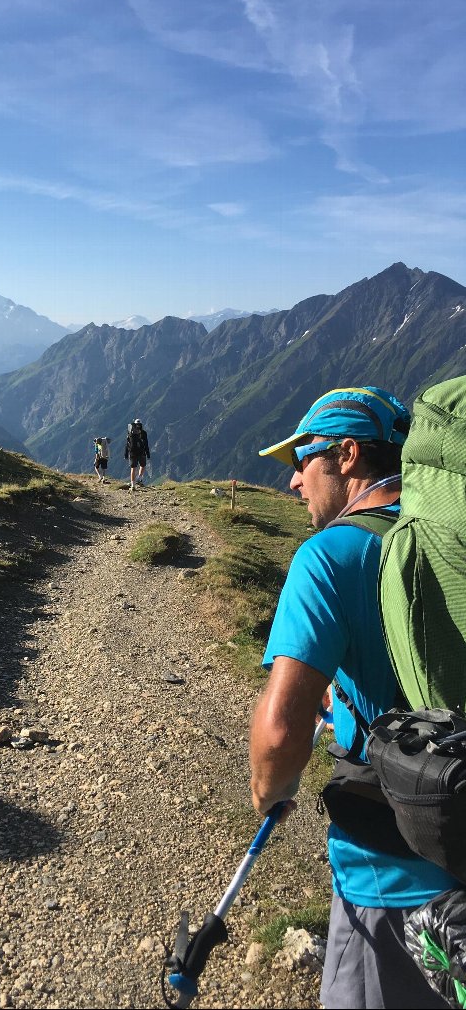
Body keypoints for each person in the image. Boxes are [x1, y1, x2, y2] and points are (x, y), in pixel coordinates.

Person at [249, 385, 458, 1010]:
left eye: (300, 460)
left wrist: (269, 791)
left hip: (390, 876)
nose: (292, 482)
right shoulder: (447, 541)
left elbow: (279, 737)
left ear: (346, 456)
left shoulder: (330, 555)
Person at [124, 419, 150, 491]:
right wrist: (148, 453)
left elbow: (127, 444)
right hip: (142, 452)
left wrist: (126, 454)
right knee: (143, 465)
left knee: (133, 468)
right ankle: (139, 478)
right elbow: (146, 444)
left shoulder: (130, 433)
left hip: (132, 453)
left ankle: (133, 485)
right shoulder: (143, 433)